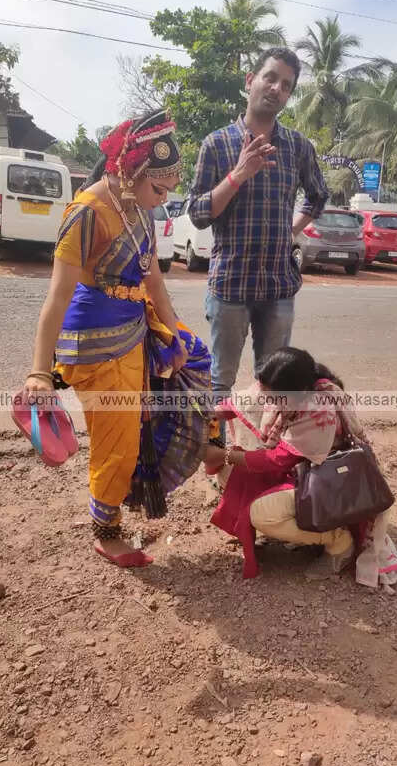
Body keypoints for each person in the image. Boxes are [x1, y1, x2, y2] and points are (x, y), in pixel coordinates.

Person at [23, 109, 217, 568]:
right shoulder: (88, 212)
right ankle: (106, 532)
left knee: (157, 410)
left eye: (169, 192)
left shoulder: (140, 213)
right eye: (158, 189)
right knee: (118, 441)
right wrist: (37, 372)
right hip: (93, 343)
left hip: (134, 333)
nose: (161, 200)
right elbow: (56, 298)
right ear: (132, 170)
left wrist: (175, 335)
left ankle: (121, 505)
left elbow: (154, 285)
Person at [188, 48, 329, 432]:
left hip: (279, 285)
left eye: (286, 85)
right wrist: (238, 175)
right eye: (270, 77)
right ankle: (219, 464)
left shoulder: (299, 147)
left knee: (278, 386)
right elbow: (198, 213)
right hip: (230, 285)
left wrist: (292, 230)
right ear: (250, 80)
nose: (276, 88)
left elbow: (318, 195)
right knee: (221, 382)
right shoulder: (216, 144)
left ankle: (268, 463)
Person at [204, 347, 368, 579]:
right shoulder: (282, 384)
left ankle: (340, 542)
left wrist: (223, 454)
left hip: (330, 482)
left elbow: (277, 460)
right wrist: (209, 414)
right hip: (301, 471)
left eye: (271, 397)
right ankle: (303, 527)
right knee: (231, 473)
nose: (266, 400)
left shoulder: (318, 412)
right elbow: (242, 401)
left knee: (260, 514)